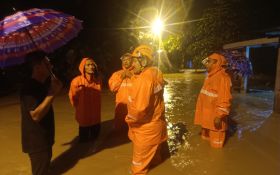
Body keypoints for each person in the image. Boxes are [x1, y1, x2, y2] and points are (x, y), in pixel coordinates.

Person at [125, 45, 168, 175]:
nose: (132, 64)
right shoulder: (156, 72)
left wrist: (129, 119)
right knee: (155, 160)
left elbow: (139, 109)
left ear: (143, 61)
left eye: (134, 61)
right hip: (157, 125)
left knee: (137, 170)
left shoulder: (144, 79)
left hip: (145, 130)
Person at [20, 51, 62, 175]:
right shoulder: (29, 87)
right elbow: (36, 115)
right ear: (37, 67)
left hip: (45, 138)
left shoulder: (41, 84)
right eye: (47, 64)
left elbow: (45, 106)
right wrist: (52, 93)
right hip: (37, 142)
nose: (51, 66)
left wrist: (52, 90)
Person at [194, 53, 232, 148]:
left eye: (208, 61)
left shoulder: (223, 78)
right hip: (206, 120)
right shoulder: (210, 76)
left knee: (216, 150)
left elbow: (225, 99)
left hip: (215, 121)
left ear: (216, 63)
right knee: (205, 147)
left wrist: (219, 116)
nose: (206, 63)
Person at [69, 57, 102, 143]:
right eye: (88, 65)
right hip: (83, 115)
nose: (91, 67)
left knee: (95, 138)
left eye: (92, 65)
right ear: (83, 67)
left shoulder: (97, 81)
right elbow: (73, 97)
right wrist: (79, 108)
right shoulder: (77, 81)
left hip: (95, 116)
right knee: (84, 141)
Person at [108, 53, 133, 132]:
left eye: (128, 60)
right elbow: (112, 88)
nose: (125, 62)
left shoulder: (137, 73)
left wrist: (131, 77)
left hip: (134, 106)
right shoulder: (116, 74)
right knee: (119, 131)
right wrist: (121, 78)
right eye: (124, 60)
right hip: (120, 107)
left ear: (132, 61)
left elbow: (142, 87)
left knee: (134, 131)